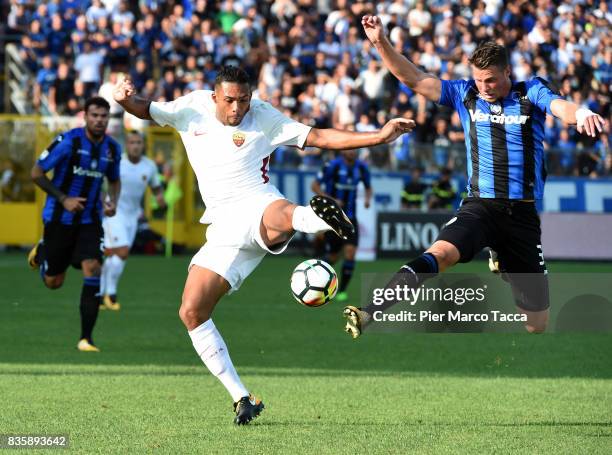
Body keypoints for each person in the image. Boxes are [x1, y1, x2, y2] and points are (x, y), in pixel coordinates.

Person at [112, 66, 415, 424]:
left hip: (257, 203)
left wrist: (378, 137)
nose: (237, 108)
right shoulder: (191, 107)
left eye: (244, 99)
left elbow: (319, 137)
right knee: (191, 312)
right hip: (222, 229)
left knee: (280, 215)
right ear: (214, 97)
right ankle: (242, 397)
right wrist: (126, 99)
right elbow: (147, 109)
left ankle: (317, 220)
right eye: (230, 100)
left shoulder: (264, 116)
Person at [343, 16, 607, 338]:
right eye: (480, 80)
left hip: (521, 215)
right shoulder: (464, 94)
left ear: (507, 73)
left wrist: (581, 114)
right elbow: (414, 79)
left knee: (536, 324)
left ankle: (503, 259)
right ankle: (370, 311)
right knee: (439, 255)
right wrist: (379, 42)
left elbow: (558, 106)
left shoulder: (530, 93)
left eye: (492, 81)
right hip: (479, 206)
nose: (484, 88)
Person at [27, 96, 121, 352]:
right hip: (60, 217)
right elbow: (36, 173)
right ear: (85, 116)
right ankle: (44, 250)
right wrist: (64, 198)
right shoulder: (69, 141)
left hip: (91, 219)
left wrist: (112, 202)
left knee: (93, 268)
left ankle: (86, 339)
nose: (99, 120)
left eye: (104, 116)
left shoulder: (112, 149)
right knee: (53, 282)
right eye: (95, 115)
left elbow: (114, 180)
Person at [100, 130, 165, 311]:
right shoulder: (118, 163)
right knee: (122, 252)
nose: (135, 146)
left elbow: (156, 186)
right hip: (114, 213)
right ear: (126, 145)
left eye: (138, 142)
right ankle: (111, 296)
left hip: (132, 216)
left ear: (143, 145)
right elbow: (103, 185)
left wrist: (160, 198)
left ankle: (99, 294)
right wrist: (105, 205)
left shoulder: (149, 166)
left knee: (116, 257)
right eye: (132, 142)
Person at [311, 149, 372, 302]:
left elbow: (368, 186)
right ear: (343, 151)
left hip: (351, 219)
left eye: (354, 150)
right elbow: (315, 186)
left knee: (350, 252)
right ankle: (314, 277)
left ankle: (342, 291)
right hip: (333, 218)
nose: (352, 152)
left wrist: (367, 199)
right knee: (332, 256)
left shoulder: (362, 167)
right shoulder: (332, 165)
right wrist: (331, 200)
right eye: (349, 149)